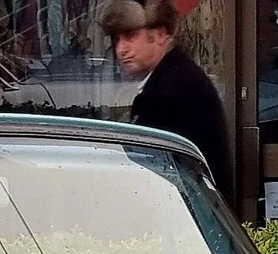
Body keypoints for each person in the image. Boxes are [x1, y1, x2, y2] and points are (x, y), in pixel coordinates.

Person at [98, 0, 232, 195]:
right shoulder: (171, 80)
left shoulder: (176, 87)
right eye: (116, 39)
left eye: (130, 36)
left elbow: (157, 172)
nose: (121, 49)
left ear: (160, 34)